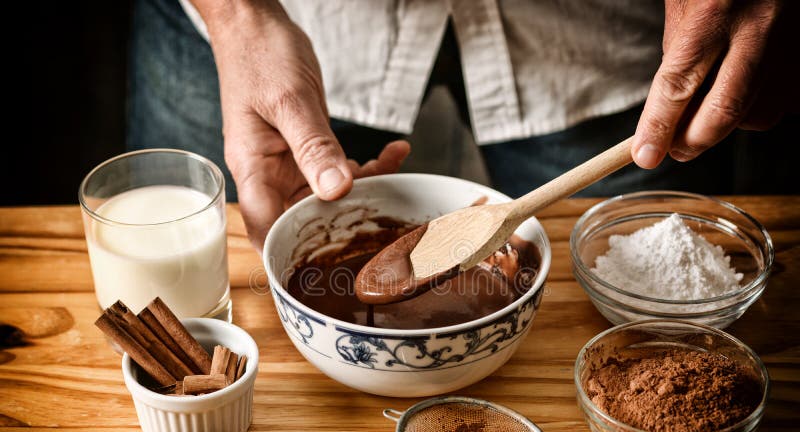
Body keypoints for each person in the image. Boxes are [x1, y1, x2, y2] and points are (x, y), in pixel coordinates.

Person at [128, 0, 796, 251]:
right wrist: (236, 16)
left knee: (651, 291)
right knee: (235, 256)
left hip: (605, 40)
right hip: (278, 26)